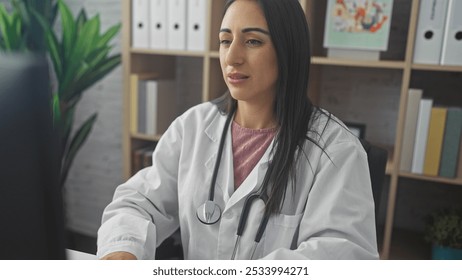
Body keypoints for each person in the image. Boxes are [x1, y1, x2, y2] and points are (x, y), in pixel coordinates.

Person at [97, 0, 379, 260]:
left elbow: (343, 254)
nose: (232, 57)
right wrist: (123, 249)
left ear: (287, 49)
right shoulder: (192, 127)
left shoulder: (337, 151)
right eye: (225, 41)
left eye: (253, 41)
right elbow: (137, 201)